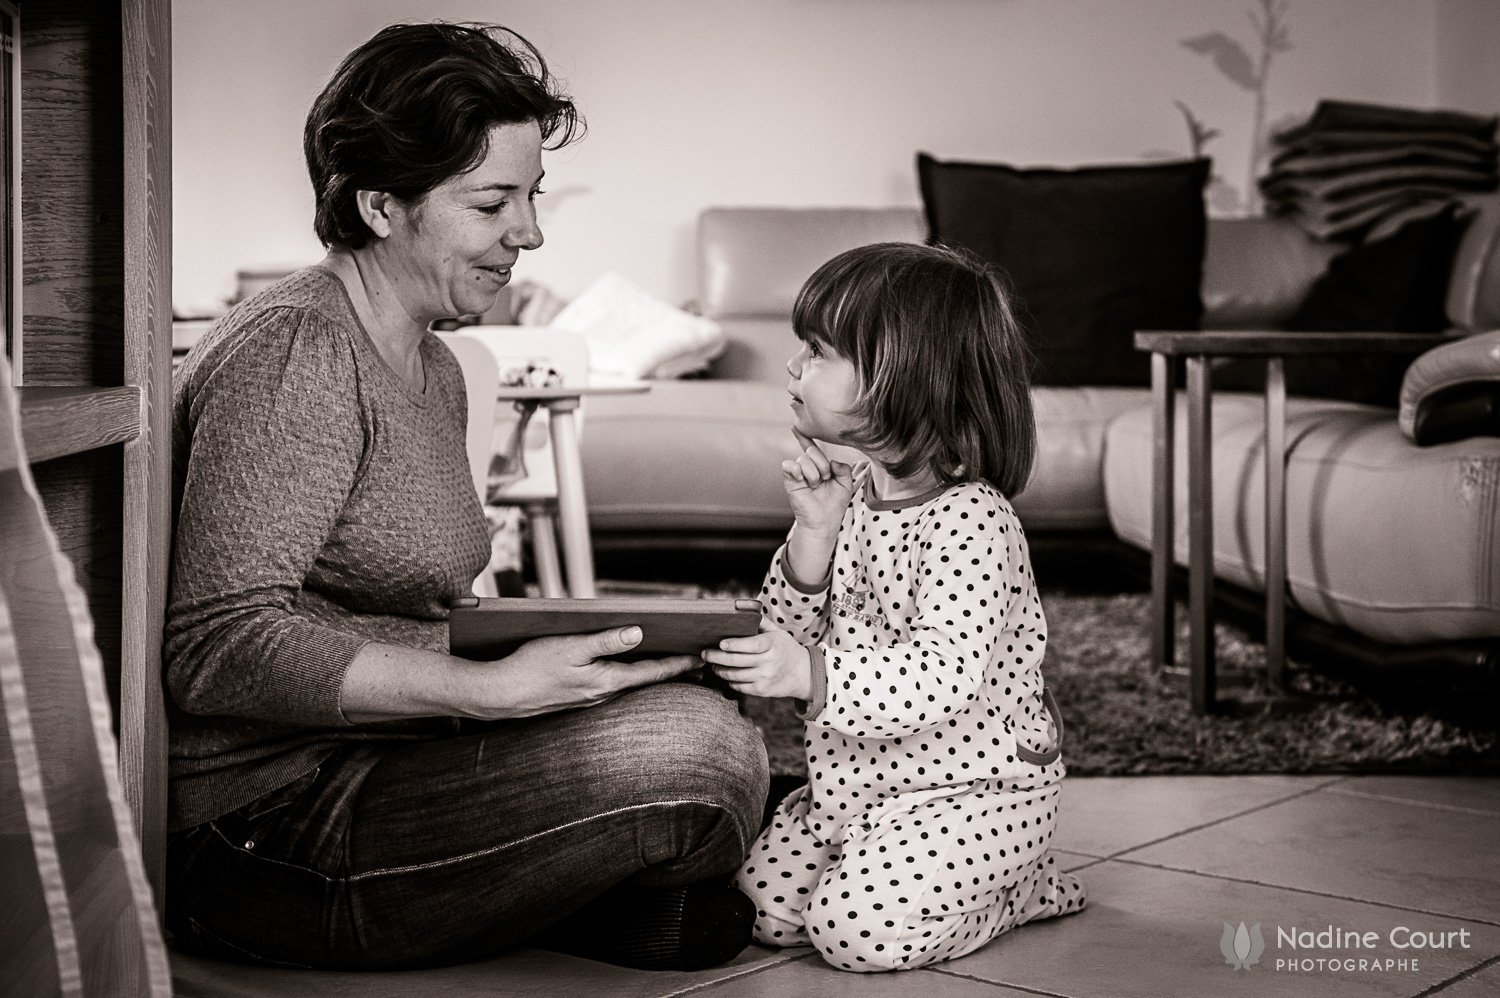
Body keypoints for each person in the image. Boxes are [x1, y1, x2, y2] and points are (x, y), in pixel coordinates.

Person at [163, 22, 767, 972]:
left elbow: (416, 607)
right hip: (267, 826)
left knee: (698, 701)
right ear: (378, 205)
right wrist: (484, 692)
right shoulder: (298, 351)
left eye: (529, 199)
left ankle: (598, 894)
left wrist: (551, 653)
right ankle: (616, 893)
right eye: (494, 203)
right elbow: (215, 647)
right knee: (698, 754)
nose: (528, 233)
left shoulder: (438, 365)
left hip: (395, 754)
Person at [703, 242, 1087, 972]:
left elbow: (941, 673)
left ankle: (1023, 886)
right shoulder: (853, 497)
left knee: (856, 935)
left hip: (974, 794)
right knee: (764, 915)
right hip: (859, 786)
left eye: (816, 352)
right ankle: (867, 855)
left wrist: (807, 673)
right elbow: (786, 633)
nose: (793, 368)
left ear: (902, 375)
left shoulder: (972, 519)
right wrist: (813, 532)